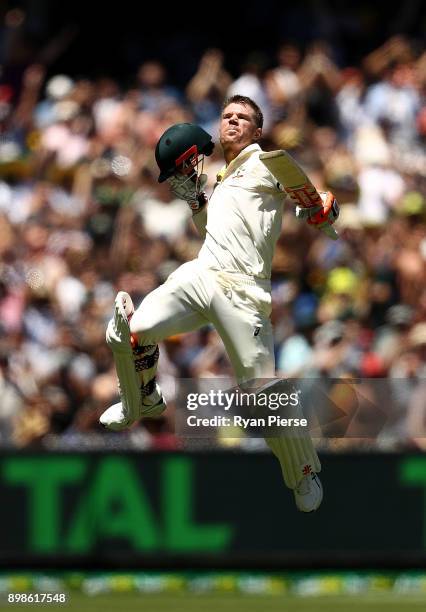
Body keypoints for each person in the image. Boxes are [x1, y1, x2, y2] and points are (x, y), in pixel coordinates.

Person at [100, 95, 339, 512]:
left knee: (260, 391)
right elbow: (215, 233)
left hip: (243, 291)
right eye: (227, 115)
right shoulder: (222, 178)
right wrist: (196, 202)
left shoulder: (264, 162)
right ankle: (141, 398)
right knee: (128, 329)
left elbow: (296, 180)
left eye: (242, 117)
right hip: (203, 272)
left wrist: (319, 205)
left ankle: (303, 472)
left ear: (257, 130)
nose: (232, 121)